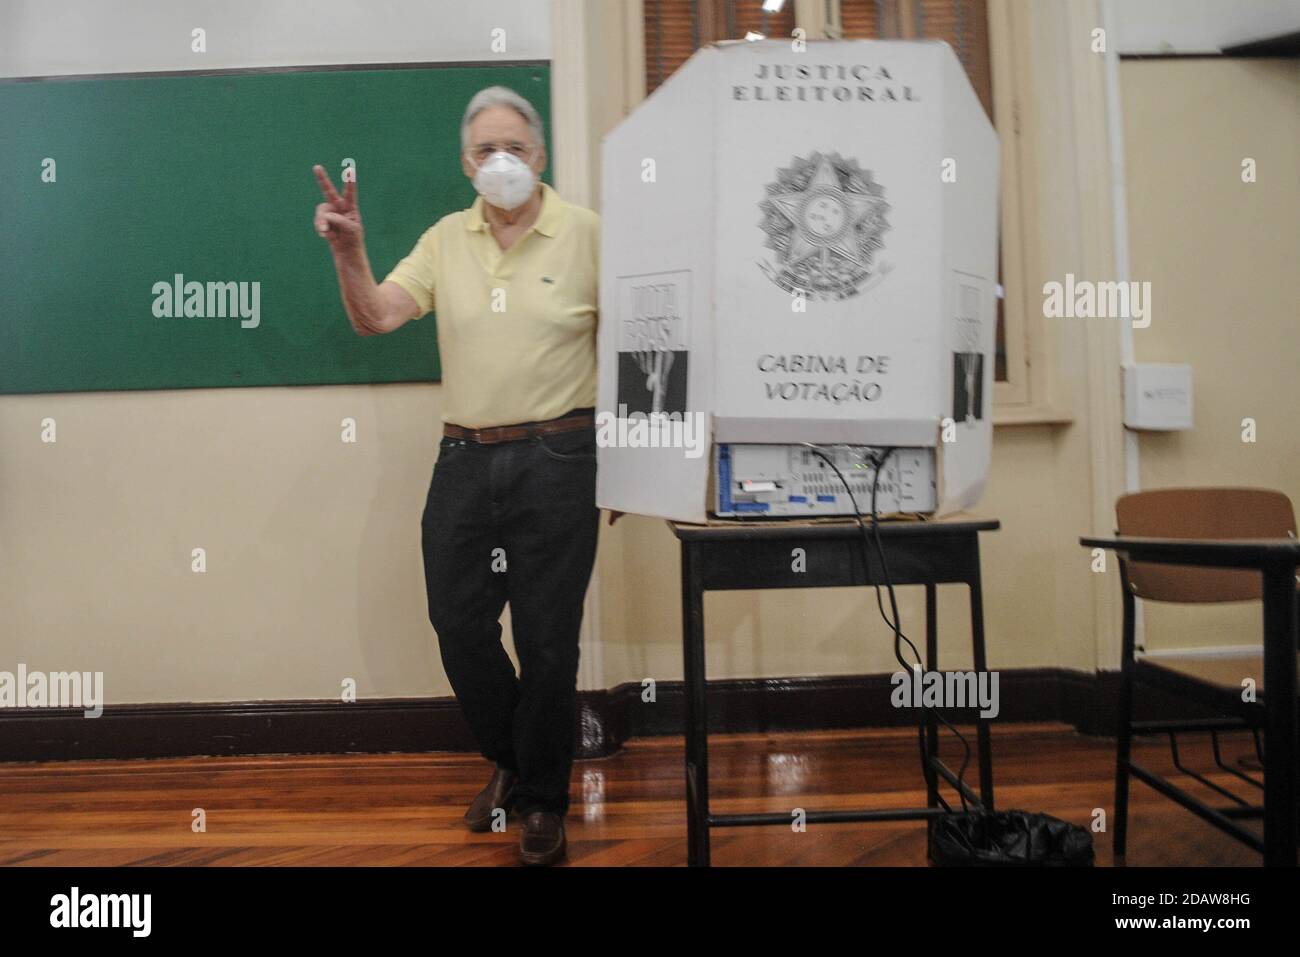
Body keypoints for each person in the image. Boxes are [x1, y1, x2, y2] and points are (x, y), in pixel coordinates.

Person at [312, 85, 603, 866]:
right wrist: (349, 250)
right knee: (457, 622)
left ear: (541, 157)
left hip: (562, 456)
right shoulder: (446, 237)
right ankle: (513, 755)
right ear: (465, 161)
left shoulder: (589, 236)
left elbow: (639, 356)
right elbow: (376, 314)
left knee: (548, 641)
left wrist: (634, 472)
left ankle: (542, 801)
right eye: (485, 149)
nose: (501, 161)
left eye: (516, 147)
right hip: (466, 458)